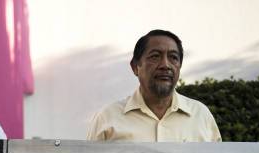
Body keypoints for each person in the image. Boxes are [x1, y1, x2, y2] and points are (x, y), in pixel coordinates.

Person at [87, 30, 221, 142]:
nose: (165, 65)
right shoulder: (108, 118)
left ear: (179, 66)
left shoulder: (201, 116)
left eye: (173, 57)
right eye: (155, 56)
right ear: (135, 67)